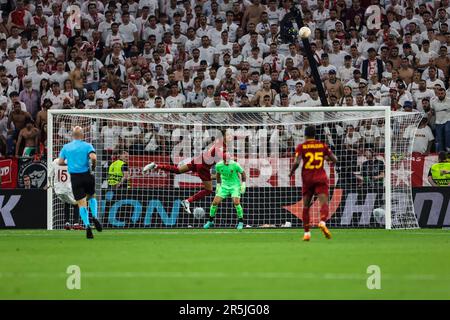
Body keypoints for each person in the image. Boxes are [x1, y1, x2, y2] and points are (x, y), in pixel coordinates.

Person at [143, 129, 228, 214]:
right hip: (203, 166)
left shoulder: (217, 142)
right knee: (208, 190)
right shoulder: (221, 146)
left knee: (178, 170)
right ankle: (187, 201)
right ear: (224, 136)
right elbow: (222, 157)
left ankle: (157, 166)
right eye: (228, 135)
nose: (230, 137)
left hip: (198, 160)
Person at [289, 125, 337, 241]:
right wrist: (327, 159)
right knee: (324, 203)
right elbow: (334, 159)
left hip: (307, 179)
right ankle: (322, 222)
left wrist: (291, 172)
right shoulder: (322, 145)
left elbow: (297, 162)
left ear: (305, 135)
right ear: (315, 134)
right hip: (320, 177)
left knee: (306, 206)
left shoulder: (301, 146)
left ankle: (307, 233)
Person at [57, 126, 102, 239]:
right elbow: (93, 157)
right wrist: (94, 165)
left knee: (81, 203)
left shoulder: (66, 147)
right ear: (82, 135)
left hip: (75, 178)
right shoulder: (87, 145)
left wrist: (70, 164)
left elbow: (60, 162)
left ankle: (87, 226)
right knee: (92, 197)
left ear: (72, 135)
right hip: (87, 175)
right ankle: (95, 217)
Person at [204, 155, 247, 230]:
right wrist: (218, 184)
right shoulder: (219, 165)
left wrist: (243, 183)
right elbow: (218, 175)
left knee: (236, 202)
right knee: (215, 203)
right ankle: (210, 221)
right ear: (223, 159)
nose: (227, 161)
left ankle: (241, 222)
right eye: (226, 159)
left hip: (235, 186)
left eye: (228, 159)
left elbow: (243, 173)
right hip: (224, 186)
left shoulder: (235, 164)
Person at [48, 158, 80, 230]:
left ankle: (67, 223)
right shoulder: (72, 161)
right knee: (76, 203)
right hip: (68, 188)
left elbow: (49, 175)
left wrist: (50, 184)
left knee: (66, 203)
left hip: (58, 189)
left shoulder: (55, 161)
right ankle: (76, 223)